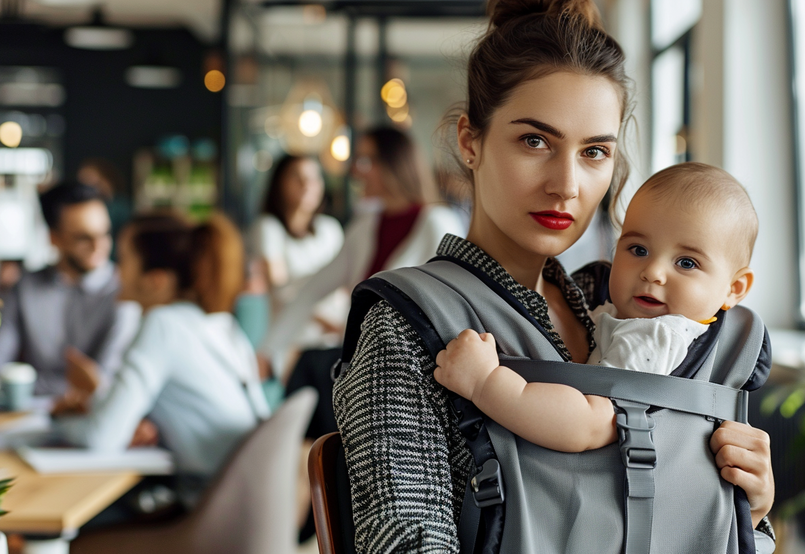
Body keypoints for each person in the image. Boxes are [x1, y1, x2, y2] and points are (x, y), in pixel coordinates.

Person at [332, 1, 776, 552]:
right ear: (470, 142)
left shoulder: (622, 305)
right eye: (535, 141)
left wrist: (745, 509)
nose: (566, 184)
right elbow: (408, 540)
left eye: (593, 152)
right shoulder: (407, 324)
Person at [434, 162, 757, 453]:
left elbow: (587, 425)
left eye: (686, 262)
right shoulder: (611, 307)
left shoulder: (653, 336)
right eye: (638, 249)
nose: (653, 272)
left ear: (734, 288)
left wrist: (485, 383)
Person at [58, 212, 271, 506]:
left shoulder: (162, 324)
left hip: (209, 514)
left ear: (155, 280)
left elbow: (100, 439)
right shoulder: (221, 325)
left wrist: (58, 423)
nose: (116, 271)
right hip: (251, 504)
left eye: (126, 260)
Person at [258, 126, 466, 376]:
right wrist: (267, 352)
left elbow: (458, 309)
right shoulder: (365, 228)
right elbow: (311, 292)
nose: (356, 171)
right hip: (364, 372)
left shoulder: (437, 223)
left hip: (419, 377)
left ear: (393, 165)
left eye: (365, 161)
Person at [0, 182, 139, 396]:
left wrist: (27, 385)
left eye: (105, 233)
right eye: (84, 237)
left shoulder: (125, 293)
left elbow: (102, 384)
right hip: (29, 418)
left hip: (90, 419)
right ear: (54, 239)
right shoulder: (25, 288)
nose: (99, 246)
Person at [249, 154, 345, 343]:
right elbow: (280, 291)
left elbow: (346, 285)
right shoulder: (268, 227)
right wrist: (327, 322)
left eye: (313, 178)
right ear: (279, 184)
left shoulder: (330, 229)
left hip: (335, 338)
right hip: (293, 341)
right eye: (297, 177)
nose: (306, 184)